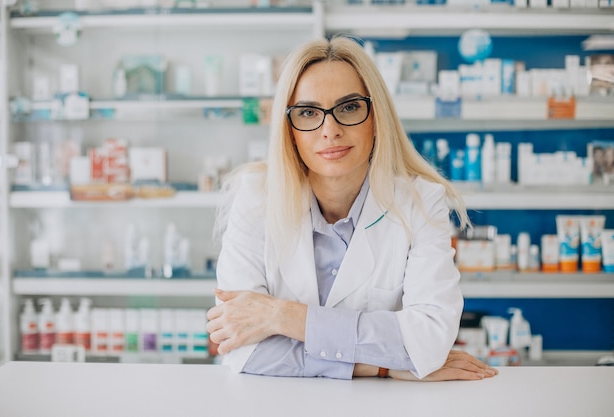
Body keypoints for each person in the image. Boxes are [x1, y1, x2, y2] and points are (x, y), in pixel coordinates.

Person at [206, 36, 497, 381]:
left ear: (376, 117)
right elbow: (243, 350)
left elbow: (429, 338)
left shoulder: (420, 201)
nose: (330, 130)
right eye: (309, 113)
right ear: (289, 130)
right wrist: (383, 365)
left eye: (348, 108)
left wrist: (281, 316)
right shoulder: (255, 198)